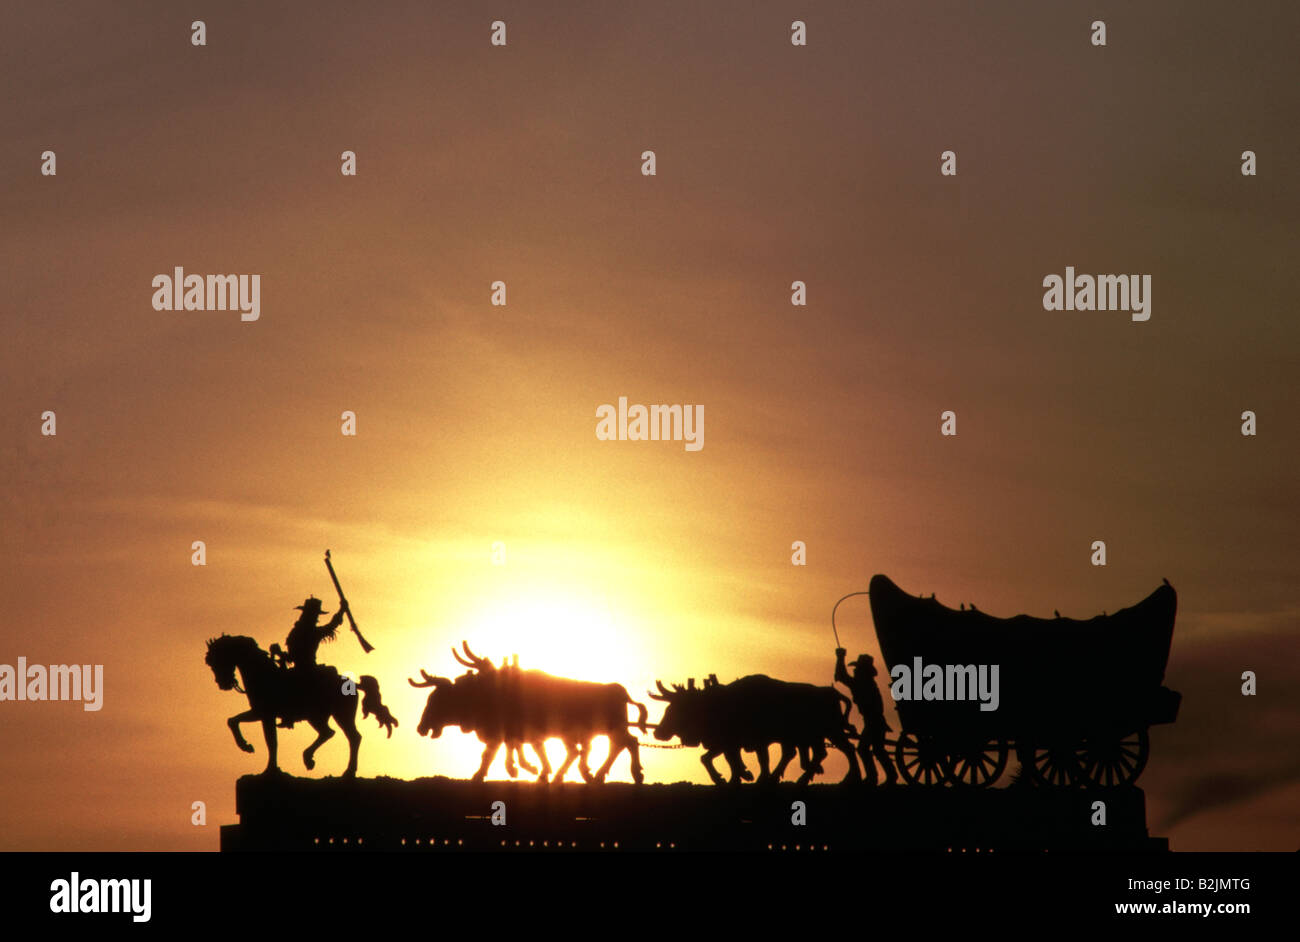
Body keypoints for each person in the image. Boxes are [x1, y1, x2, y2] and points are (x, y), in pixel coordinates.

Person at [276, 596, 347, 727]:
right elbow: (292, 656)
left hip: (308, 668)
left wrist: (342, 611)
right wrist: (279, 653)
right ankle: (287, 714)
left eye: (310, 614)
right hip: (298, 667)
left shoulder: (313, 632)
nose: (308, 616)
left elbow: (331, 625)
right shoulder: (296, 632)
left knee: (293, 686)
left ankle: (290, 715)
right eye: (307, 614)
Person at [834, 648, 898, 786]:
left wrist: (840, 657)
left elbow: (841, 676)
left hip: (873, 722)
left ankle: (873, 777)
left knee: (864, 749)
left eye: (857, 669)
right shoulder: (867, 684)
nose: (855, 671)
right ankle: (887, 776)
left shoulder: (862, 684)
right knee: (878, 750)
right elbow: (842, 676)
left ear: (863, 671)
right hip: (875, 721)